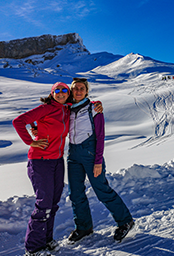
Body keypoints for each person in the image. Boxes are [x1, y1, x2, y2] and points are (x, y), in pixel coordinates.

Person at [67, 77, 134, 244]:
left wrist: (98, 161)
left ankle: (125, 221)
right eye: (75, 88)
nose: (78, 91)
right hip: (73, 155)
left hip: (90, 153)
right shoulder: (66, 109)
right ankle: (84, 227)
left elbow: (101, 136)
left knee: (101, 189)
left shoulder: (94, 109)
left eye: (82, 88)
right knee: (75, 193)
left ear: (87, 91)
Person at [13, 82, 71, 256]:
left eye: (64, 91)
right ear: (52, 93)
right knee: (44, 204)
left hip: (57, 161)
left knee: (53, 203)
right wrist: (30, 141)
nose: (60, 93)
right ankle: (33, 248)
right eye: (57, 91)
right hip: (40, 161)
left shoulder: (67, 109)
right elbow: (19, 121)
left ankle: (46, 240)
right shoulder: (46, 108)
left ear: (68, 93)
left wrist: (96, 105)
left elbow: (83, 103)